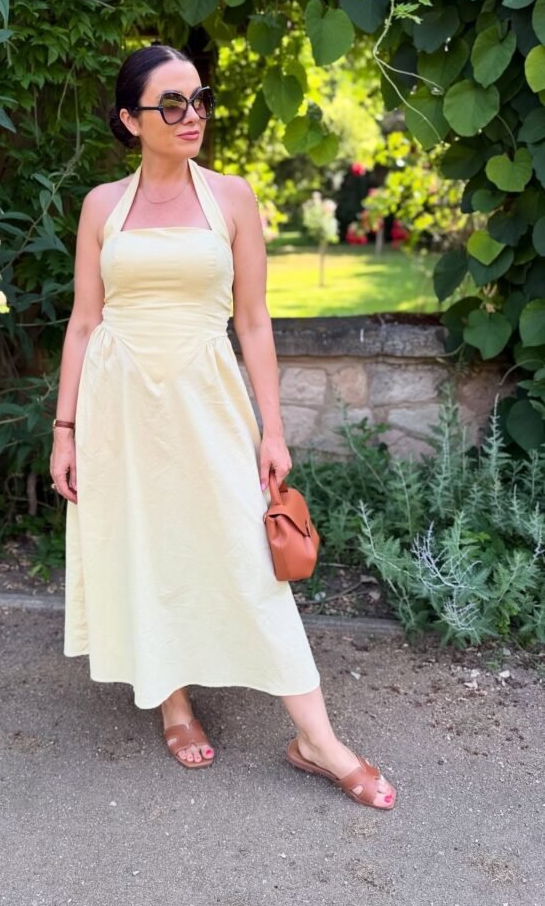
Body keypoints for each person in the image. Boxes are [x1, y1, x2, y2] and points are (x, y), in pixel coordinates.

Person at [50, 44, 397, 810]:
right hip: (118, 409)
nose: (192, 115)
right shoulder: (102, 206)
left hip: (208, 402)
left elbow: (254, 321)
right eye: (171, 103)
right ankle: (172, 700)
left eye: (199, 99)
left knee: (249, 557)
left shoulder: (232, 198)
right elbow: (83, 321)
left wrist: (272, 430)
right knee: (147, 544)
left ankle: (315, 739)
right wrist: (64, 430)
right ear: (130, 119)